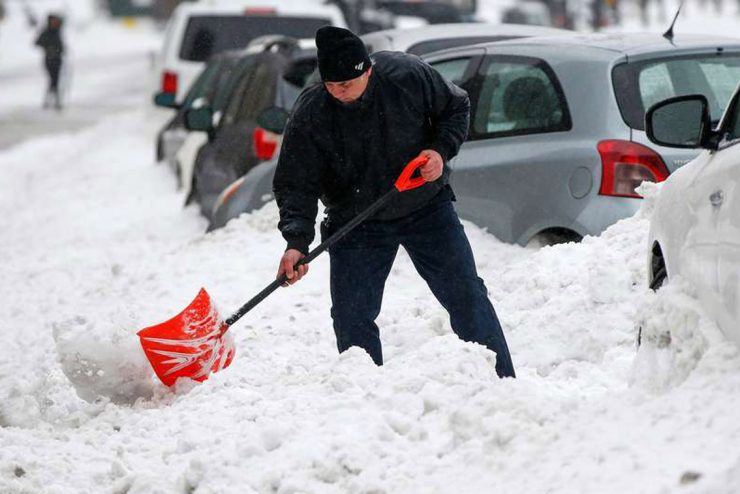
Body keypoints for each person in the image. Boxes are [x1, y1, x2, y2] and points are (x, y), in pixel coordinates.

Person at [272, 26, 515, 378]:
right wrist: (296, 242)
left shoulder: (406, 75)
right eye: (332, 85)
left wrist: (438, 150)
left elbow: (456, 106)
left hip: (426, 208)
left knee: (466, 296)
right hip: (355, 222)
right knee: (352, 316)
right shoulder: (313, 111)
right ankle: (364, 395)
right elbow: (296, 183)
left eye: (347, 84)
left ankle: (501, 382)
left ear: (367, 69)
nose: (340, 93)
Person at [35, 14, 64, 110]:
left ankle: (55, 101)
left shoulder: (57, 32)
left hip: (57, 60)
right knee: (52, 80)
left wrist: (60, 50)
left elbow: (61, 46)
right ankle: (51, 101)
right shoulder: (46, 32)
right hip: (49, 60)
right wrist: (48, 48)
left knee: (56, 81)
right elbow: (37, 42)